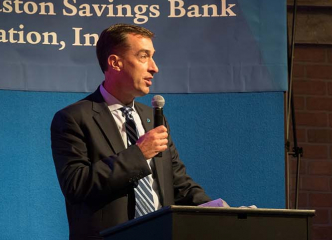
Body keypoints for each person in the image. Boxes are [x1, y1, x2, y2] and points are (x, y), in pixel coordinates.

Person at [50, 23, 212, 240]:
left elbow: (178, 182)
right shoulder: (74, 118)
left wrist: (219, 211)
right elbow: (76, 185)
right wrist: (138, 154)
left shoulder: (153, 117)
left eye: (153, 56)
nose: (154, 67)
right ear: (115, 62)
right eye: (144, 56)